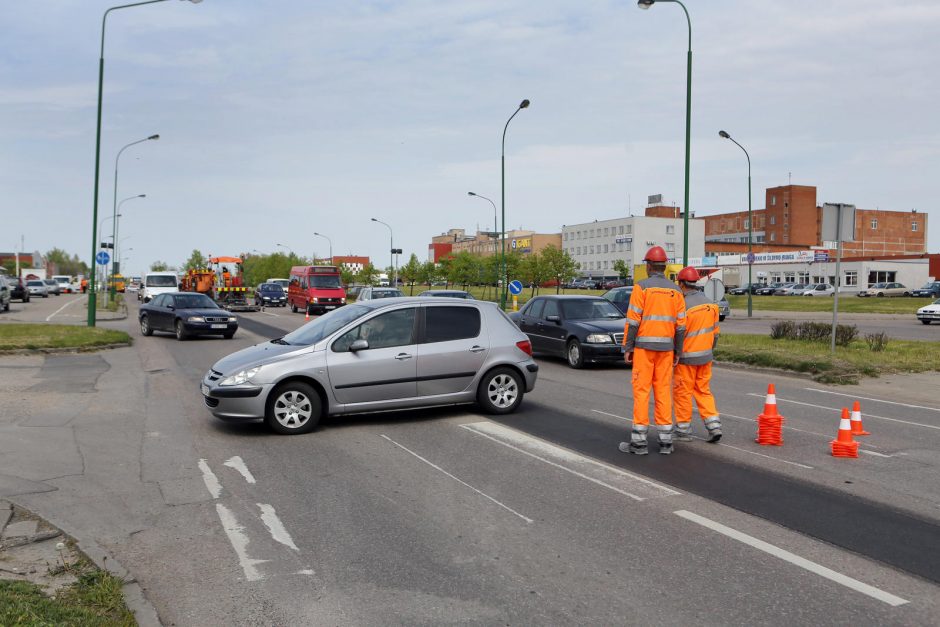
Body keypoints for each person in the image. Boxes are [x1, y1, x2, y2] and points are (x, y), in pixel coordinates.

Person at [619, 246, 686, 455]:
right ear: (664, 267)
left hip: (644, 350)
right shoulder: (676, 291)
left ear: (649, 266)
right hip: (666, 350)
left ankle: (639, 443)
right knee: (663, 391)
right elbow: (681, 326)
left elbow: (633, 321)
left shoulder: (642, 288)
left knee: (641, 392)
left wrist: (627, 347)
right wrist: (677, 351)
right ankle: (666, 442)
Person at [673, 267, 722, 443]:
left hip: (686, 359)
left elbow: (679, 333)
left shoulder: (683, 306)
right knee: (703, 391)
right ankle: (714, 426)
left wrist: (675, 353)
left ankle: (683, 430)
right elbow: (715, 334)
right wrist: (709, 351)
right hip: (705, 357)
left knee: (683, 393)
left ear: (681, 284)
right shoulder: (711, 305)